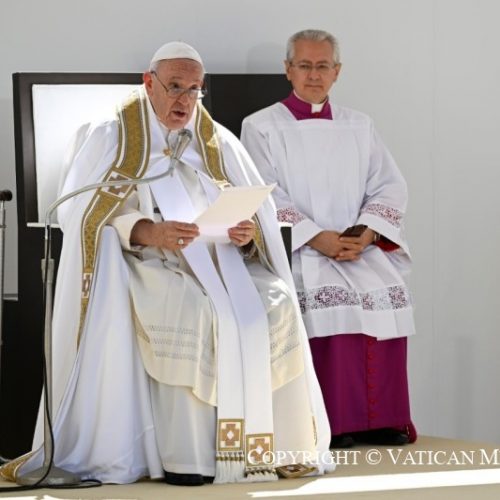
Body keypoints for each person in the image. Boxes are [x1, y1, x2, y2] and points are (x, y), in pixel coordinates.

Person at [0, 42, 335, 485]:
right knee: (191, 310)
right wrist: (147, 230)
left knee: (276, 302)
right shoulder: (111, 137)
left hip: (220, 260)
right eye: (175, 87)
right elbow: (82, 215)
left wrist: (247, 233)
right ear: (149, 82)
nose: (185, 100)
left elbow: (256, 212)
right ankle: (190, 457)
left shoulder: (217, 142)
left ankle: (270, 447)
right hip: (151, 261)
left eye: (194, 90)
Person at [241, 29, 417, 448]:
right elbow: (262, 191)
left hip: (356, 248)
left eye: (323, 66)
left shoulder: (359, 125)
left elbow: (389, 186)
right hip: (303, 249)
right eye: (304, 65)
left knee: (385, 295)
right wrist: (315, 237)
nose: (314, 75)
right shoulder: (261, 126)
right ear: (288, 70)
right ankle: (333, 423)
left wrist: (366, 233)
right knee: (332, 307)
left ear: (337, 71)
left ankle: (383, 419)